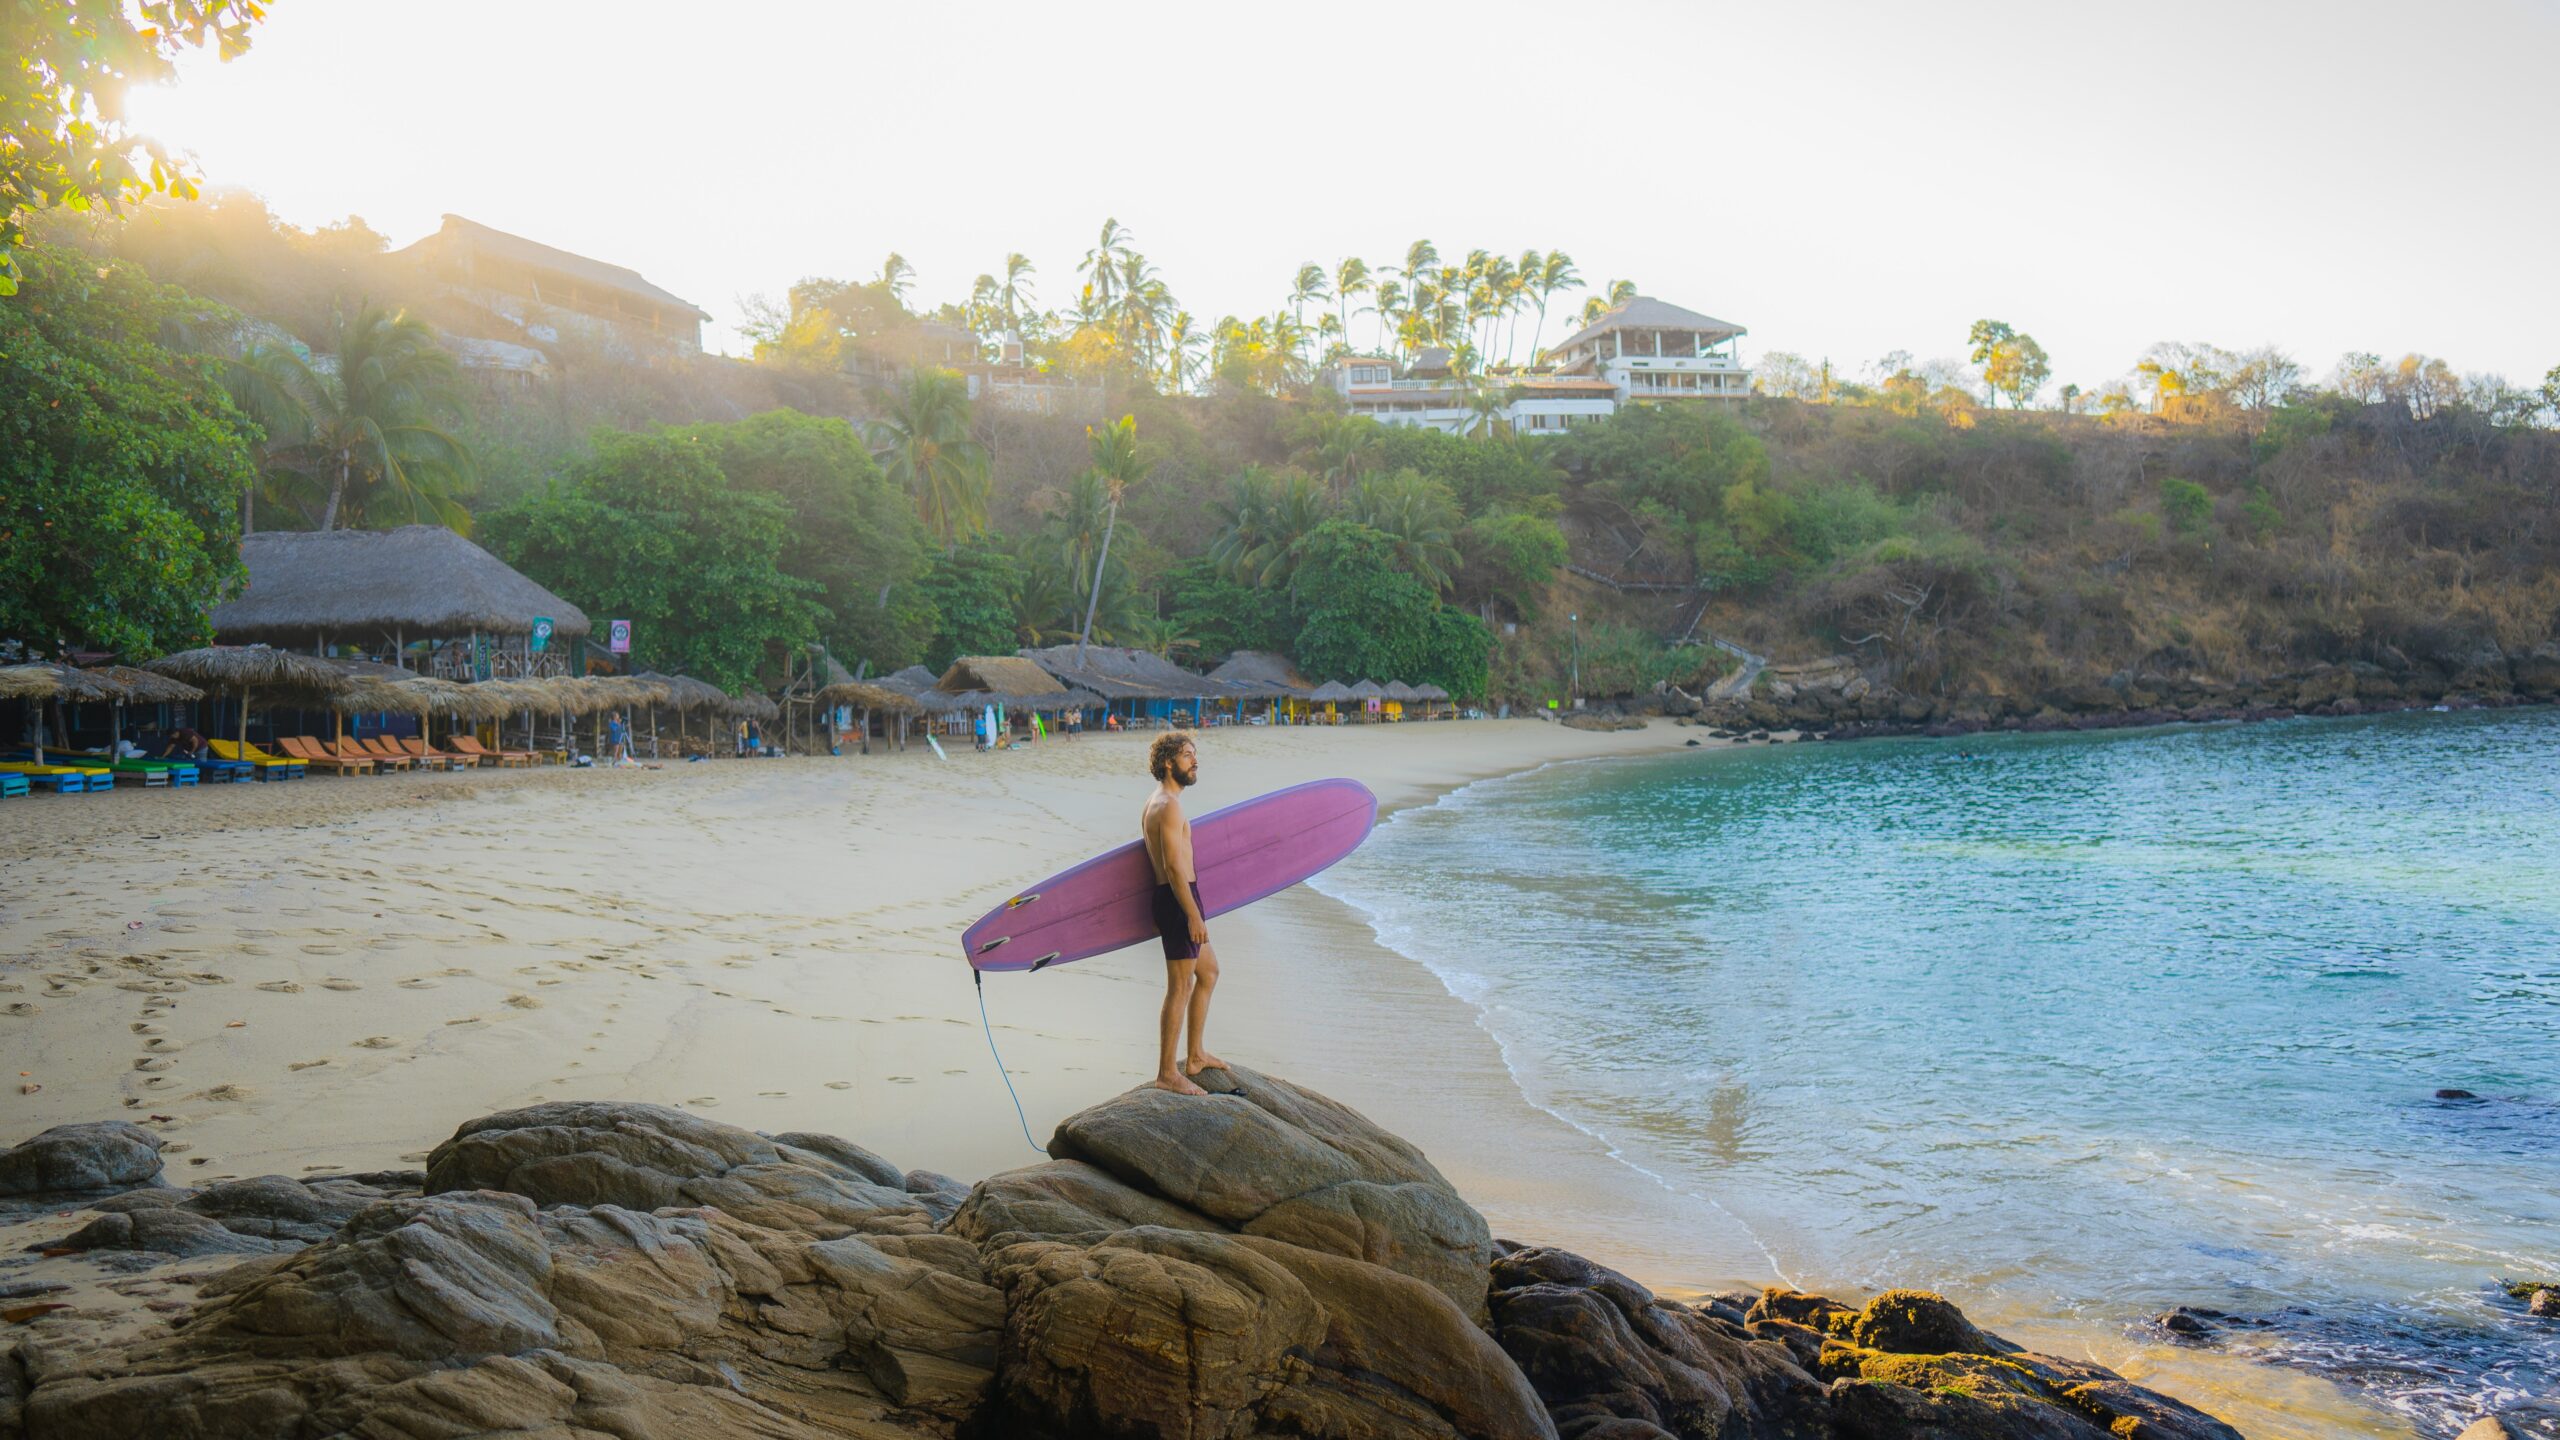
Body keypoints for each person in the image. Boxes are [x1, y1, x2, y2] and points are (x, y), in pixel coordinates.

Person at [1142, 732, 1225, 1095]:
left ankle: (1194, 1056)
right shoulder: (1168, 805)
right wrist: (1192, 915)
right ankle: (1166, 1073)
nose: (1195, 761)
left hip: (1184, 898)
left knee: (1208, 972)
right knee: (1181, 986)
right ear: (1167, 763)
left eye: (1195, 756)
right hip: (1178, 901)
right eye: (1188, 755)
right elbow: (1174, 867)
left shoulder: (1161, 802)